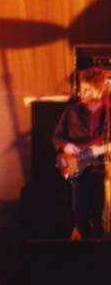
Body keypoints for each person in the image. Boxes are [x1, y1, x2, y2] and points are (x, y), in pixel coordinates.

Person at [52, 67, 109, 238]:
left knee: (98, 215)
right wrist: (66, 145)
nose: (82, 93)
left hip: (100, 170)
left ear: (99, 91)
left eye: (87, 89)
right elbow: (56, 136)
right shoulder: (71, 111)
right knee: (79, 213)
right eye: (82, 88)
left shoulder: (107, 112)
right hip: (76, 167)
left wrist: (103, 148)